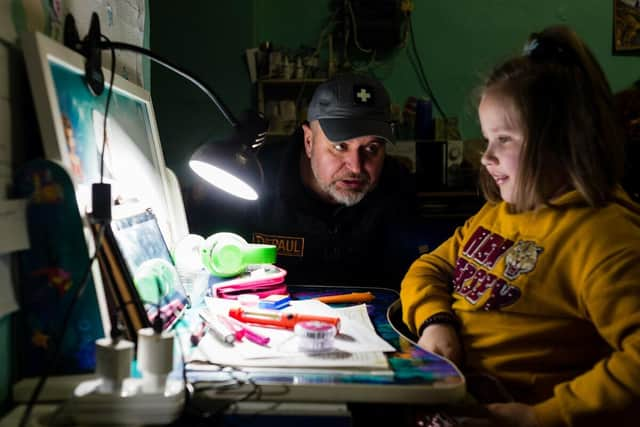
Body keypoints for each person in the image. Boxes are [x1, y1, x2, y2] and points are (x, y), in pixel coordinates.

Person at [400, 26, 640, 426]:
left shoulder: (604, 239)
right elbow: (431, 267)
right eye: (487, 138)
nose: (486, 156)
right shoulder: (499, 213)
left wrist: (543, 416)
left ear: (561, 141)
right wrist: (435, 320)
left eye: (504, 139)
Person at [245, 73, 421, 289]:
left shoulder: (398, 187)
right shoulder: (254, 176)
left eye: (371, 149)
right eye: (340, 146)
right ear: (309, 141)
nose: (356, 167)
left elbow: (415, 278)